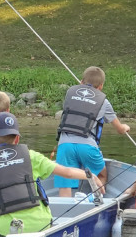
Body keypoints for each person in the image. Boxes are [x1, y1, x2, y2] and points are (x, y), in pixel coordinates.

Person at [0, 112, 102, 237]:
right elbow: (67, 172)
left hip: (7, 229)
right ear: (17, 138)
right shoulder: (31, 156)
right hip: (40, 224)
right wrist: (91, 176)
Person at [53, 66, 130, 197]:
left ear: (81, 82)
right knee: (101, 174)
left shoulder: (69, 93)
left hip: (65, 145)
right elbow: (120, 129)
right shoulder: (104, 102)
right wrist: (125, 127)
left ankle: (64, 211)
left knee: (65, 182)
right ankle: (95, 203)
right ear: (101, 86)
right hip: (87, 146)